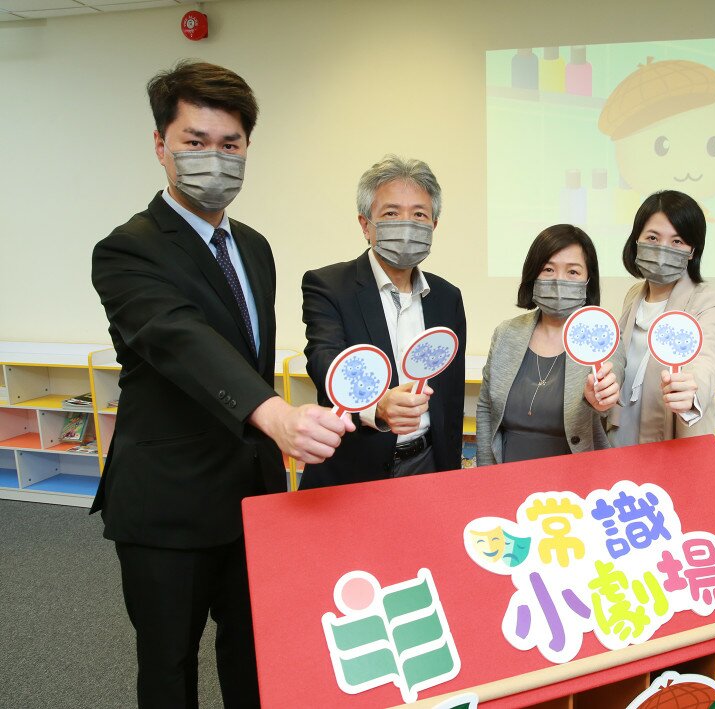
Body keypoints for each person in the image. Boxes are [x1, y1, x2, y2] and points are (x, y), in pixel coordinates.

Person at [91, 60, 353, 708]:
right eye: (195, 142)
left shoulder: (255, 247)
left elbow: (246, 351)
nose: (215, 159)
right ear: (161, 146)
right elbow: (181, 339)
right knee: (169, 667)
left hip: (252, 498)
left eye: (229, 145)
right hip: (167, 506)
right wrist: (274, 414)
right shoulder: (127, 249)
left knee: (255, 657)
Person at [300, 155, 466, 487]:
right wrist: (378, 405)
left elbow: (451, 396)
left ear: (433, 225)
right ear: (366, 224)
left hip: (429, 465)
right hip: (353, 471)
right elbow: (324, 361)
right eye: (391, 213)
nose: (407, 223)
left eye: (419, 214)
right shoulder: (329, 285)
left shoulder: (448, 297)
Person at [476, 225, 624, 466]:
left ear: (588, 280)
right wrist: (485, 472)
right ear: (533, 274)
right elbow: (485, 409)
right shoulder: (506, 333)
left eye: (573, 272)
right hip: (507, 472)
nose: (558, 281)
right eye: (548, 269)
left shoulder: (603, 335)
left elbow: (611, 381)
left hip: (575, 476)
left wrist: (601, 397)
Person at [606, 190, 715, 446]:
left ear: (693, 250)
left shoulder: (706, 300)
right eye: (652, 237)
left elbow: (707, 359)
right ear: (636, 240)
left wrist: (692, 390)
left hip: (672, 436)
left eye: (677, 241)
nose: (663, 249)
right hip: (622, 430)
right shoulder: (633, 296)